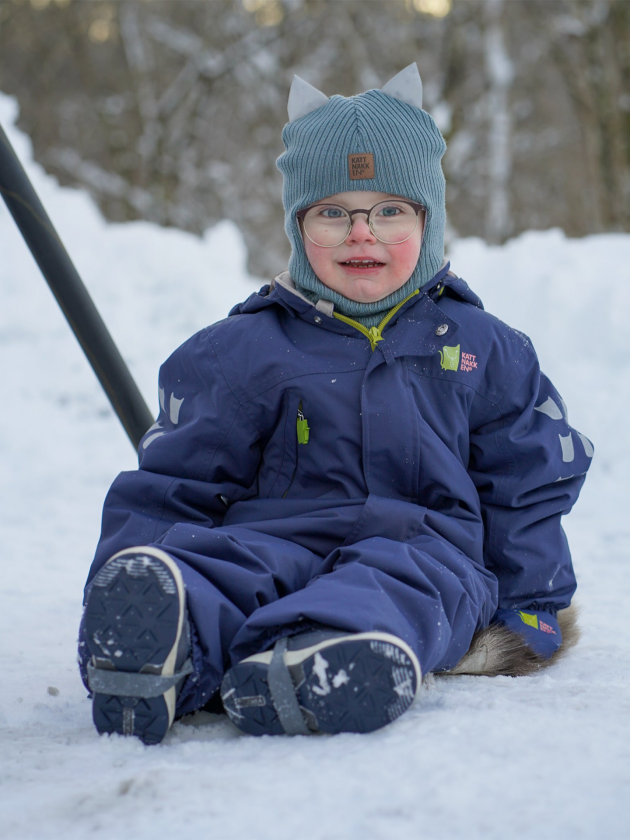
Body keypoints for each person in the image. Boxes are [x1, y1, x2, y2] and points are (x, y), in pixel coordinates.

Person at [78, 65, 592, 745]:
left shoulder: (482, 349)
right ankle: (162, 643)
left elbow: (526, 484)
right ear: (297, 226)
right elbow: (176, 482)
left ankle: (330, 653)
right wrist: (137, 567)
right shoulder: (244, 350)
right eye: (332, 213)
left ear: (427, 219)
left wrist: (532, 603)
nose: (361, 233)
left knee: (413, 580)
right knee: (226, 565)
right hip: (278, 539)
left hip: (421, 546)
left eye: (389, 210)